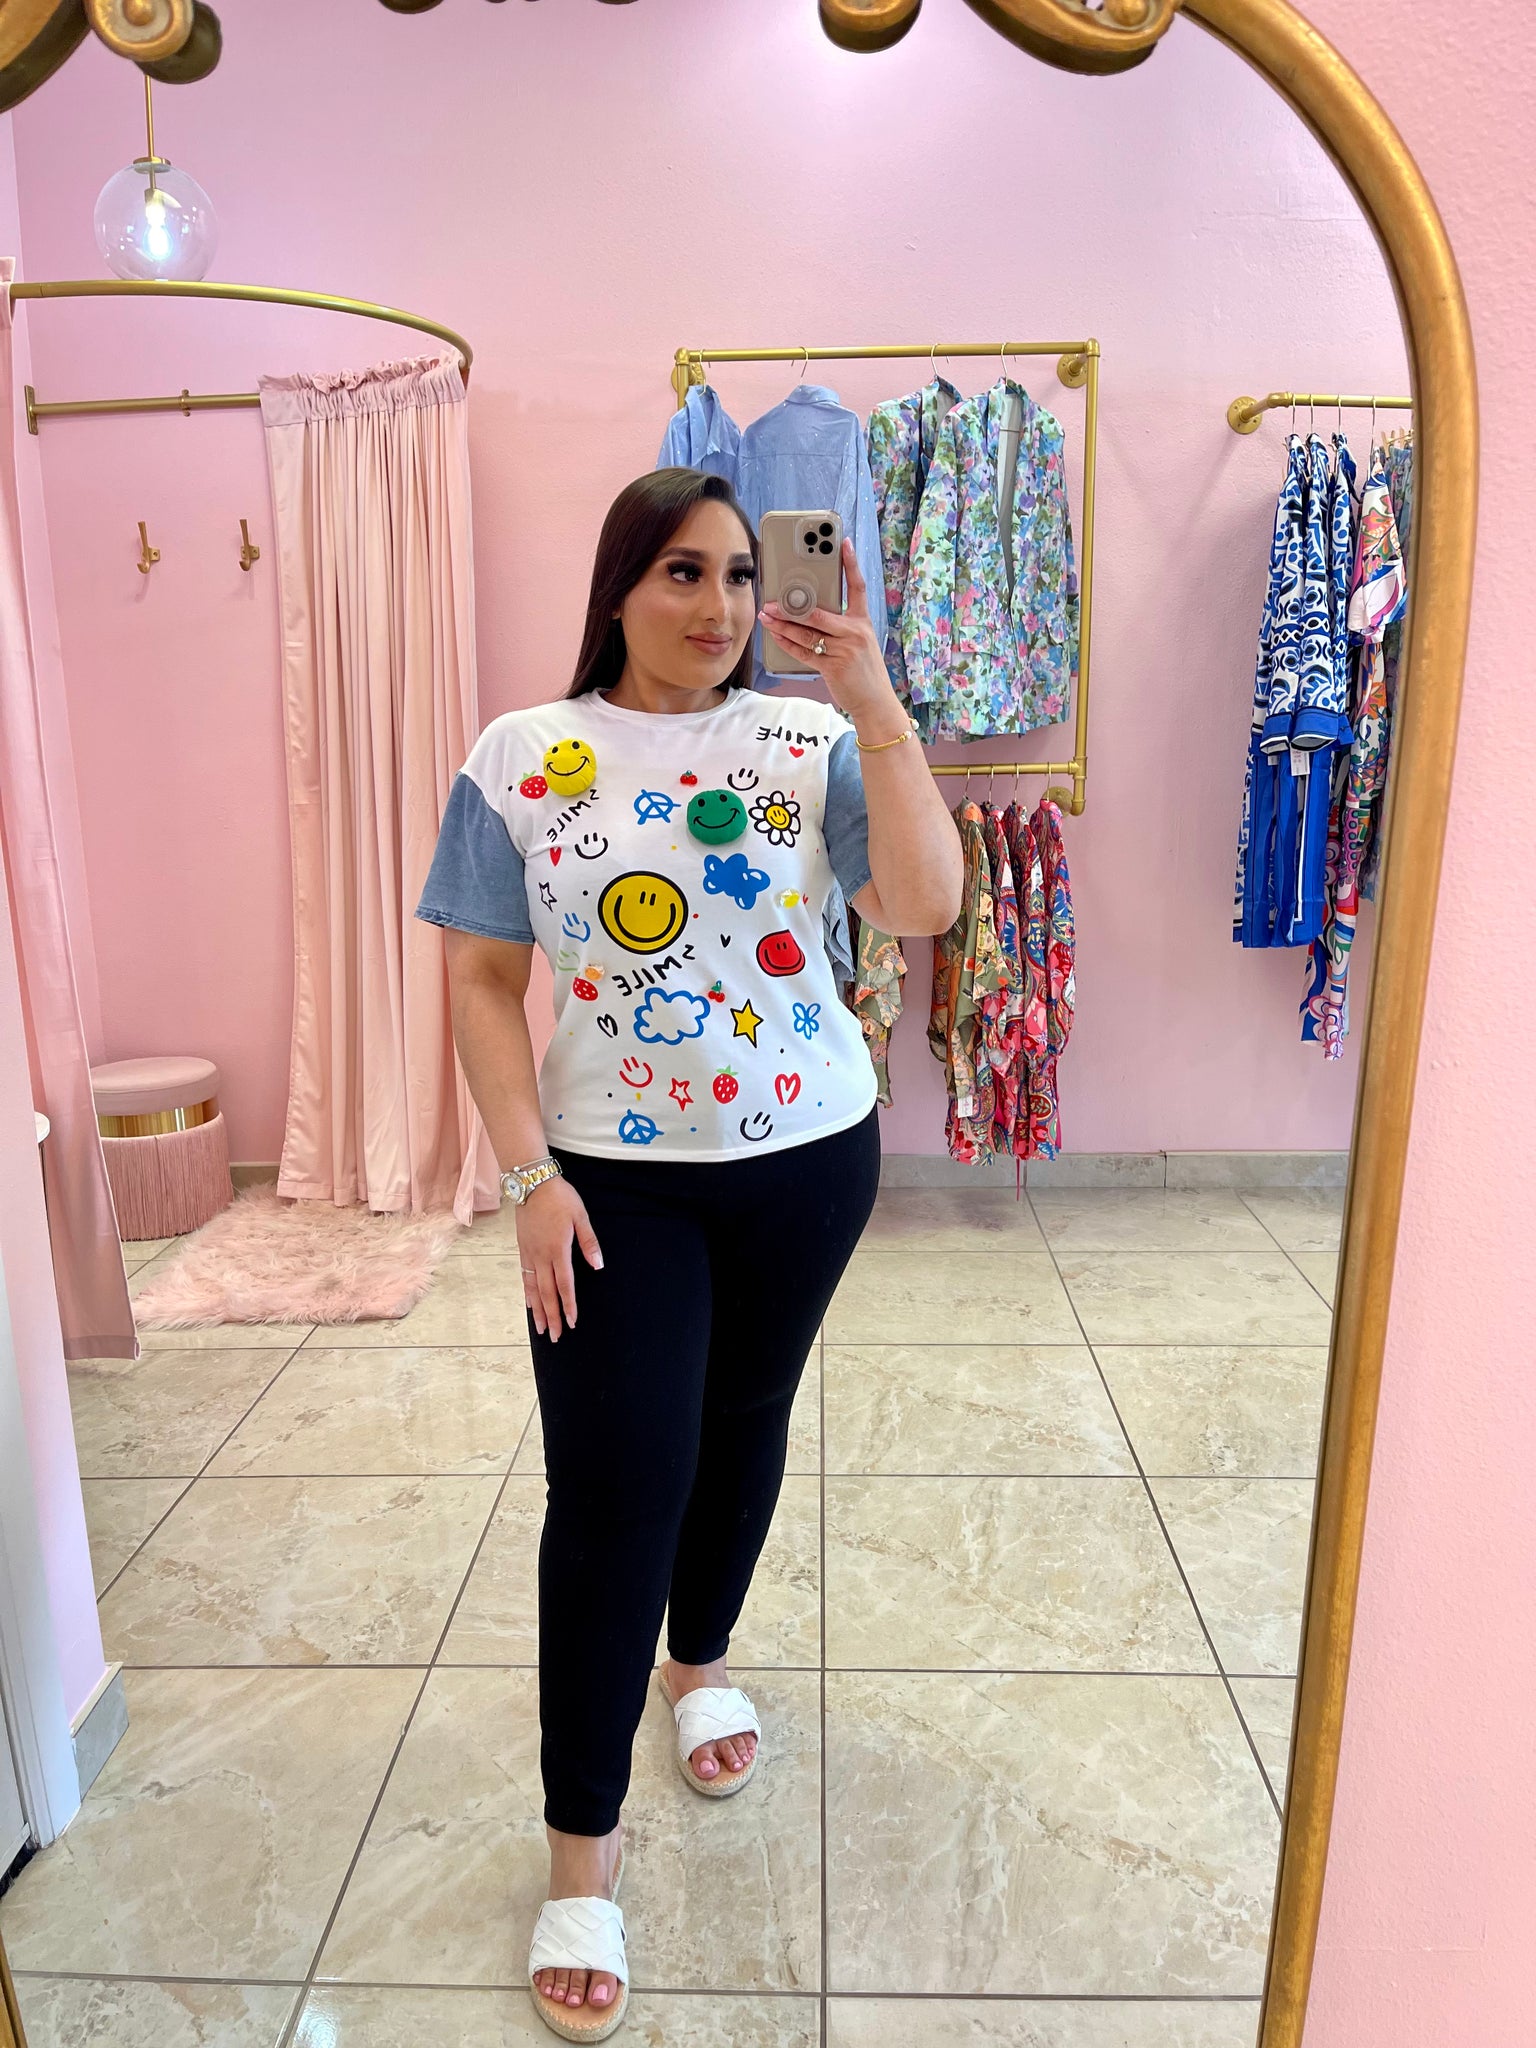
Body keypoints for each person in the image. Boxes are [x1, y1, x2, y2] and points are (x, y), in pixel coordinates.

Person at [416, 465, 962, 2039]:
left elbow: (921, 905)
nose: (719, 605)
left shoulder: (808, 740)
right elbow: (480, 986)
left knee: (743, 1425)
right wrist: (528, 1174)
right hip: (609, 1187)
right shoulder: (522, 756)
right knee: (613, 1491)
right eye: (681, 572)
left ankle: (698, 1660)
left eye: (737, 574)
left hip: (809, 1157)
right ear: (619, 588)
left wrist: (875, 703)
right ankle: (580, 1852)